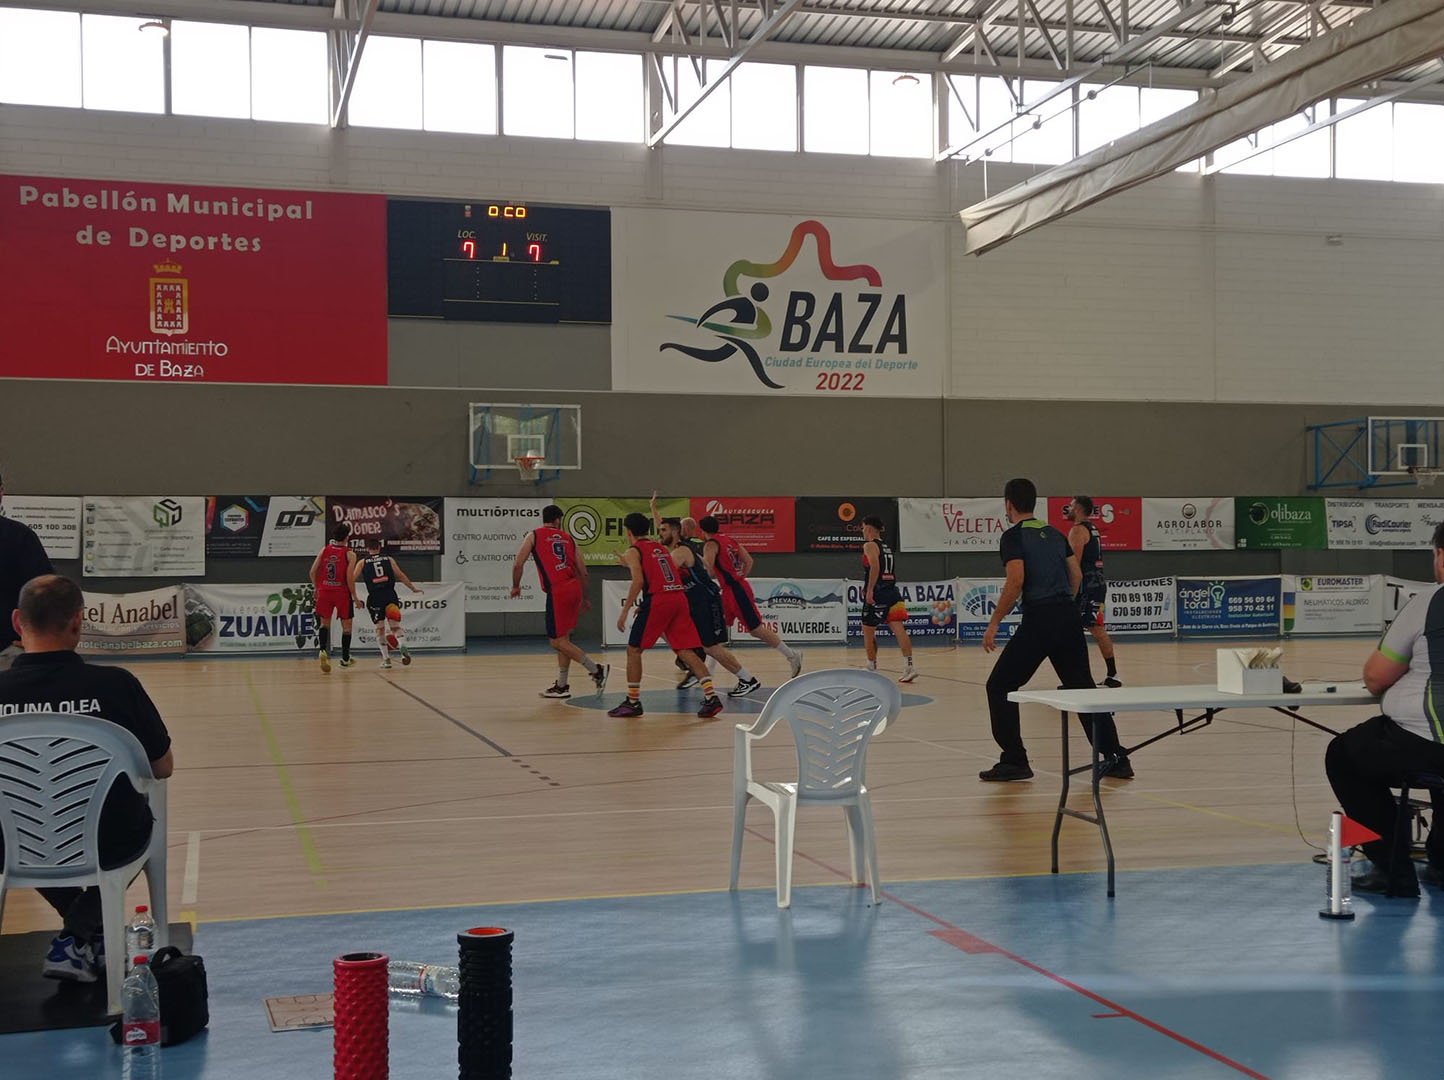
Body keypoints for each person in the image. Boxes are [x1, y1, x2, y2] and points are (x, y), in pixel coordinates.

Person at [0, 575, 173, 982]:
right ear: (79, 622)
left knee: (30, 827)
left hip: (12, 844)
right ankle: (82, 934)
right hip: (106, 843)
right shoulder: (116, 686)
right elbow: (162, 767)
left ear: (17, 622)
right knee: (137, 819)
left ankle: (82, 935)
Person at [979, 478, 1130, 782]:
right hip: (1067, 618)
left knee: (999, 686)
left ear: (1009, 504)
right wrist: (1066, 606)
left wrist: (994, 622)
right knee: (1083, 689)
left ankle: (1015, 760)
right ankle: (1116, 758)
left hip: (1040, 619)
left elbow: (1016, 580)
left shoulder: (1013, 536)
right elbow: (1076, 574)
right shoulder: (1055, 534)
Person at [1325, 521, 1444, 897]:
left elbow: (1376, 677)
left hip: (1426, 739)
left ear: (1441, 556)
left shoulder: (1429, 603)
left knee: (1344, 756)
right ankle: (1441, 862)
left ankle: (1393, 871)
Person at [610, 513, 722, 719]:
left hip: (660, 600)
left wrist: (625, 611)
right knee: (686, 650)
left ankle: (633, 702)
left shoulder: (634, 550)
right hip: (678, 598)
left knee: (634, 650)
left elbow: (638, 582)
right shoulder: (659, 548)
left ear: (628, 531)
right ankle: (711, 697)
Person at [653, 498, 760, 697]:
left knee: (711, 647)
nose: (659, 534)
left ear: (675, 532)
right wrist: (653, 509)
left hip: (706, 601)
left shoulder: (681, 551)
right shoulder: (677, 547)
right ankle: (693, 666)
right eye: (659, 530)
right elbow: (664, 528)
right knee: (667, 629)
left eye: (663, 531)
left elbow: (661, 575)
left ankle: (747, 679)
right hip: (693, 603)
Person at [511, 505, 609, 700]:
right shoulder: (569, 538)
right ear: (557, 520)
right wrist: (585, 597)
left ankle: (596, 670)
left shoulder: (534, 535)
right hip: (574, 587)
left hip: (558, 591)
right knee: (564, 639)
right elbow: (583, 571)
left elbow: (518, 564)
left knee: (556, 641)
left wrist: (516, 585)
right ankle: (562, 686)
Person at [698, 515, 803, 680]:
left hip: (735, 590)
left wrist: (695, 561)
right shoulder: (730, 540)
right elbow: (748, 560)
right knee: (719, 630)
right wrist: (740, 577)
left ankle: (792, 655)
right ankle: (709, 672)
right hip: (733, 588)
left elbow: (709, 569)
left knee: (756, 629)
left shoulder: (710, 544)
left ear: (702, 531)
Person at [0, 469, 54, 671]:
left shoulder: (20, 537)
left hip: (8, 651)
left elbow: (45, 592)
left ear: (1, 493)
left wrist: (33, 638)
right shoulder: (20, 535)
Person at [1066, 496, 1121, 687]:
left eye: (1071, 506)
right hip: (1096, 584)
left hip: (1086, 587)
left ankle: (1082, 678)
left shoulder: (1077, 530)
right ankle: (1111, 674)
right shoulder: (1092, 528)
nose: (1068, 509)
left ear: (1078, 509)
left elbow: (1073, 565)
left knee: (1081, 630)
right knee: (1094, 628)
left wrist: (1071, 594)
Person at [351, 536, 422, 670]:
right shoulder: (389, 559)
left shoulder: (362, 562)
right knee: (395, 626)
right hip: (390, 595)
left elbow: (351, 579)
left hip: (375, 597)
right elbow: (400, 575)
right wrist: (413, 588)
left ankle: (386, 659)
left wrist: (354, 596)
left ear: (367, 549)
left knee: (380, 628)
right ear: (379, 547)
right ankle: (402, 645)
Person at [860, 515, 916, 684]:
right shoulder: (886, 547)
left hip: (879, 593)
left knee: (868, 630)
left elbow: (875, 567)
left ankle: (871, 666)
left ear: (869, 528)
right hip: (892, 591)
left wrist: (870, 590)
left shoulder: (870, 545)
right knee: (899, 629)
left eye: (863, 528)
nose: (862, 532)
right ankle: (909, 666)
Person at [310, 523, 357, 672]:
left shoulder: (324, 550)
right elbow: (349, 578)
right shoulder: (350, 554)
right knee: (347, 627)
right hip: (341, 592)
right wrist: (355, 596)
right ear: (347, 537)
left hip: (324, 590)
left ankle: (322, 650)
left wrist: (317, 588)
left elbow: (312, 572)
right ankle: (345, 659)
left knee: (324, 624)